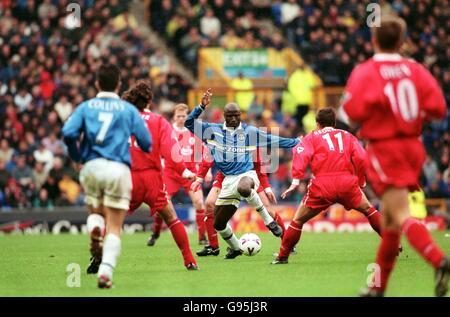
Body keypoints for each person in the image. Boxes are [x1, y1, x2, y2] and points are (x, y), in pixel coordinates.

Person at [339, 15, 449, 297]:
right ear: (402, 42)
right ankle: (378, 288)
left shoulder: (366, 71)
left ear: (374, 40)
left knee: (399, 214)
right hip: (413, 146)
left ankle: (438, 261)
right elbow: (438, 108)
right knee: (389, 223)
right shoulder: (416, 69)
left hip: (386, 147)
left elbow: (350, 115)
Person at [62, 63, 152, 289]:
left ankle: (94, 226)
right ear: (119, 85)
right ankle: (105, 272)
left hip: (91, 166)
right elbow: (147, 142)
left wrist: (77, 157)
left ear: (96, 84)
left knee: (95, 211)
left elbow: (68, 133)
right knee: (114, 225)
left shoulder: (86, 107)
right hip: (118, 168)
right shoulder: (127, 110)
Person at [185, 89, 300, 259]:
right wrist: (201, 106)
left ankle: (274, 228)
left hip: (247, 175)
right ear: (224, 116)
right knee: (218, 222)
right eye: (229, 115)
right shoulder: (212, 130)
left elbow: (273, 140)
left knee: (247, 189)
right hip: (226, 179)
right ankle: (235, 247)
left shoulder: (250, 132)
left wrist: (296, 142)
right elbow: (189, 123)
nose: (233, 118)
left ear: (241, 115)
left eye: (236, 115)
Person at [271, 107, 385, 265]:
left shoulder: (312, 137)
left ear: (317, 124)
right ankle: (393, 243)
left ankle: (282, 257)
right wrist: (361, 180)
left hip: (323, 185)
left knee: (297, 221)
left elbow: (301, 153)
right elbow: (361, 158)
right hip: (347, 183)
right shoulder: (348, 136)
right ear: (335, 123)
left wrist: (296, 179)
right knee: (369, 210)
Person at [122, 80, 199, 271]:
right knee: (172, 218)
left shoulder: (123, 118)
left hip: (128, 177)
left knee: (113, 219)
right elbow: (170, 152)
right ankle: (189, 260)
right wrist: (185, 171)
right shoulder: (159, 121)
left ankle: (98, 258)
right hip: (152, 179)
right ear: (149, 100)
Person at [191, 148, 286, 256]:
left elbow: (259, 166)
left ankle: (287, 243)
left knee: (268, 210)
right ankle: (213, 247)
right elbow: (209, 155)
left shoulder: (249, 137)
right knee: (209, 203)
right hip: (225, 176)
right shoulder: (221, 136)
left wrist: (267, 188)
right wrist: (200, 177)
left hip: (247, 175)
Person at [149, 103, 208, 247]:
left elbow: (203, 153)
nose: (181, 119)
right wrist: (161, 163)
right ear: (174, 117)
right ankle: (155, 233)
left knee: (199, 202)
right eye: (178, 116)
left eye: (184, 116)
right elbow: (157, 149)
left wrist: (208, 171)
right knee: (161, 206)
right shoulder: (168, 131)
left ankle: (202, 237)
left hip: (190, 174)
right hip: (170, 174)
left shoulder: (193, 131)